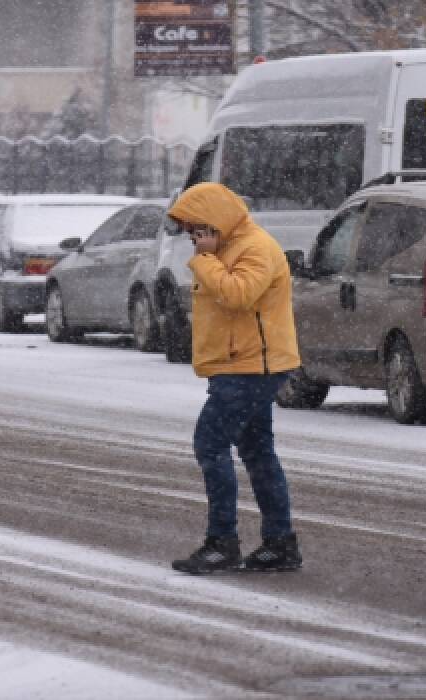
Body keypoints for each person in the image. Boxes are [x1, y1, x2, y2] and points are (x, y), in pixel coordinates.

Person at [166, 183, 303, 575]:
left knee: (210, 445)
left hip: (251, 367)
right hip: (239, 365)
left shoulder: (255, 248)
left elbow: (239, 295)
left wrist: (206, 261)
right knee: (258, 453)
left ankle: (222, 541)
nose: (193, 236)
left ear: (216, 220)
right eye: (189, 230)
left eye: (196, 227)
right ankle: (280, 543)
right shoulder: (226, 248)